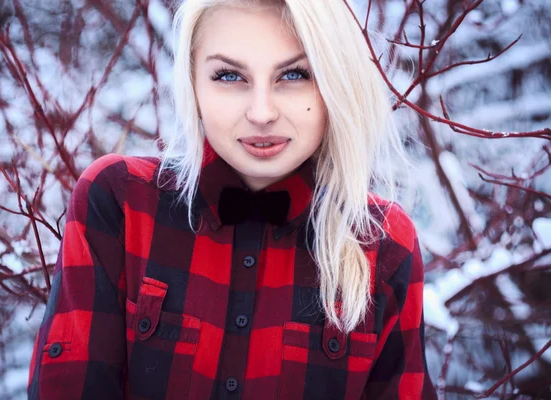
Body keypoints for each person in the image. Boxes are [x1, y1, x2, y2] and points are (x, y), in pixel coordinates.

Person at [27, 0, 437, 399]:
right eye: (228, 76)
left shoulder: (384, 244)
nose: (261, 113)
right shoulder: (119, 203)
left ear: (335, 82)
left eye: (294, 75)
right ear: (192, 83)